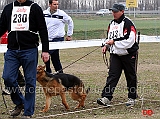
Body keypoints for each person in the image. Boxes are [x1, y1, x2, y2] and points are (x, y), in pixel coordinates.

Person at [0, 0, 49, 118]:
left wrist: (45, 50)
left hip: (29, 50)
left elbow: (43, 29)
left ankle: (28, 112)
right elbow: (1, 27)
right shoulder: (8, 8)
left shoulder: (35, 8)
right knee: (8, 78)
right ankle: (20, 102)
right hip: (12, 50)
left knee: (30, 81)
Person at [97, 3, 139, 107]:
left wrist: (114, 42)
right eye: (112, 11)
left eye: (115, 11)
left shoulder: (128, 23)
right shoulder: (111, 24)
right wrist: (106, 46)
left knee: (130, 76)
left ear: (122, 11)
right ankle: (106, 97)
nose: (113, 13)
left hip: (128, 54)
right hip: (115, 54)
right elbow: (109, 38)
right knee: (112, 76)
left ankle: (132, 97)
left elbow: (130, 40)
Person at [43, 0, 74, 73]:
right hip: (47, 39)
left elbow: (70, 22)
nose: (56, 6)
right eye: (54, 4)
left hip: (58, 38)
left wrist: (69, 34)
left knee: (46, 54)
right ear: (50, 4)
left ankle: (48, 72)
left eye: (57, 4)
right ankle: (60, 73)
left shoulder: (61, 14)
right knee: (55, 58)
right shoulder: (44, 13)